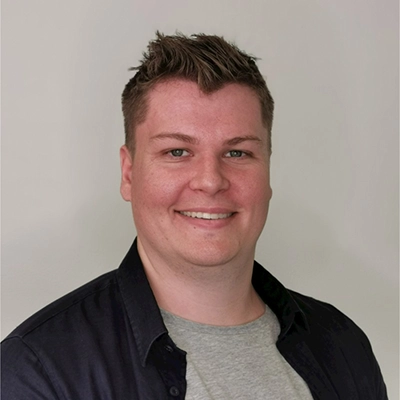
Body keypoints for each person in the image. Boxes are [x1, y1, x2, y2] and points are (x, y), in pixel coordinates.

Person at [1, 32, 387, 400]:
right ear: (129, 173)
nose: (210, 181)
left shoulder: (342, 343)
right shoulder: (37, 370)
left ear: (268, 169)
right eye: (177, 152)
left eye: (237, 153)